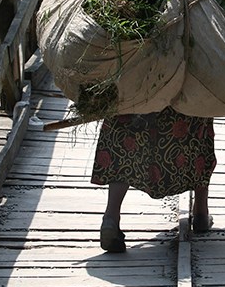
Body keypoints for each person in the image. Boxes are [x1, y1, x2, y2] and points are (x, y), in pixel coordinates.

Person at [91, 107, 217, 252]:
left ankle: (111, 217)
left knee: (123, 139)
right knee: (200, 116)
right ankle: (201, 212)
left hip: (136, 101)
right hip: (180, 110)